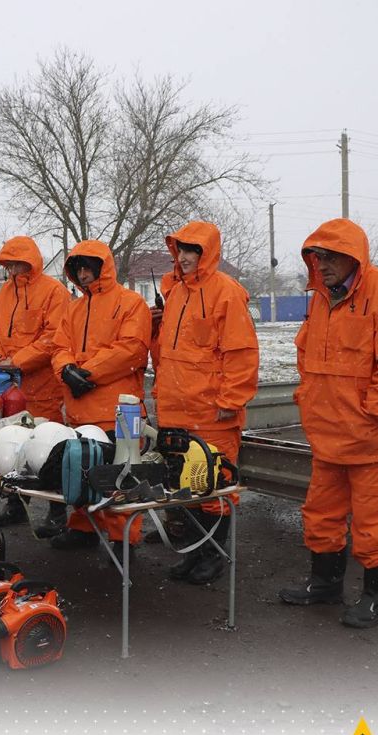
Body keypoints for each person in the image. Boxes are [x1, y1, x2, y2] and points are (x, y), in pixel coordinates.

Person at [279, 219, 378, 627]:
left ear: (353, 258)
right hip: (328, 436)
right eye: (318, 256)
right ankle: (325, 585)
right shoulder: (322, 298)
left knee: (374, 527)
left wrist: (372, 416)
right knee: (321, 517)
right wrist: (310, 402)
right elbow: (309, 360)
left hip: (372, 441)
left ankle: (377, 598)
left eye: (331, 256)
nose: (323, 263)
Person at [151, 221, 259, 584]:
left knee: (214, 488)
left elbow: (241, 352)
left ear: (207, 253)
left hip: (212, 412)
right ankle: (195, 555)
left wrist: (231, 399)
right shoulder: (177, 293)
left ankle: (213, 558)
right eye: (180, 250)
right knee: (188, 487)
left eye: (192, 250)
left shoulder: (226, 292)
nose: (184, 257)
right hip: (177, 409)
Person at [47, 241, 151, 552]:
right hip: (81, 409)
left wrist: (86, 374)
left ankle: (124, 538)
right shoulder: (72, 308)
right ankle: (84, 527)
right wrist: (66, 370)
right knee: (81, 470)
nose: (83, 273)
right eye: (78, 267)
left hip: (121, 410)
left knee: (122, 476)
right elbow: (58, 346)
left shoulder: (131, 303)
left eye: (88, 266)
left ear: (102, 267)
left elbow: (132, 349)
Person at [0, 236, 70, 527]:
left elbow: (53, 339)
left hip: (43, 386)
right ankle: (16, 503)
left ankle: (57, 510)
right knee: (11, 443)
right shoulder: (5, 293)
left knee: (46, 448)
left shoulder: (53, 291)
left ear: (31, 262)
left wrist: (17, 361)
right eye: (9, 264)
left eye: (17, 263)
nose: (12, 270)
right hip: (11, 385)